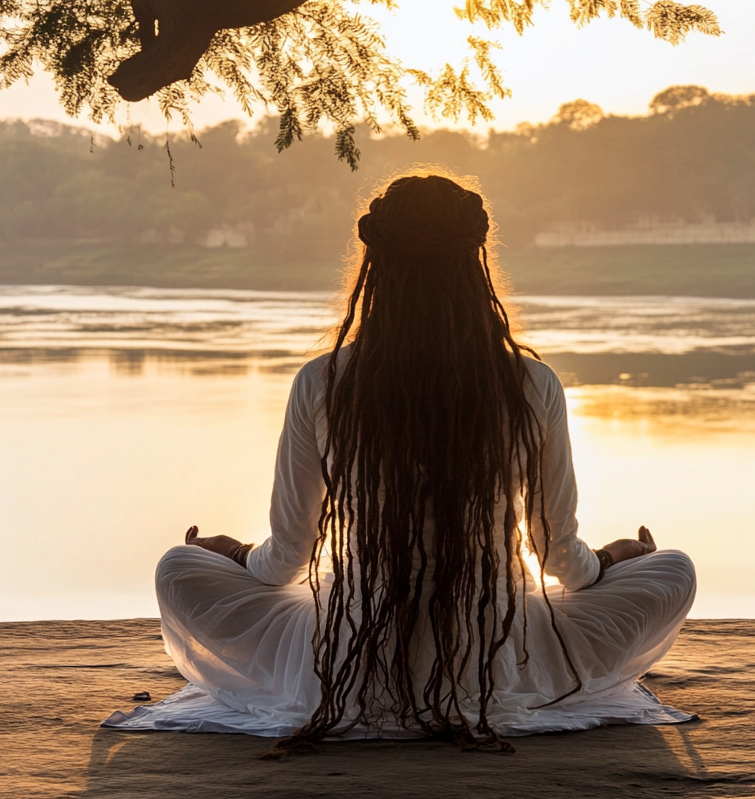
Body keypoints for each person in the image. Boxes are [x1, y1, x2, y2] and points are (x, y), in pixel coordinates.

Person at [103, 174, 696, 748]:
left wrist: (229, 553)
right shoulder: (532, 384)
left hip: (349, 652)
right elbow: (562, 561)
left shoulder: (324, 381)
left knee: (178, 567)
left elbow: (284, 563)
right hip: (495, 653)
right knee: (673, 570)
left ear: (376, 266)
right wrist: (618, 558)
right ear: (475, 264)